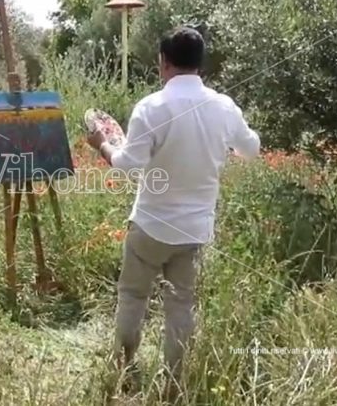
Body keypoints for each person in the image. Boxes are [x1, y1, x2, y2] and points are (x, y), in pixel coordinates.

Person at [87, 25, 260, 401]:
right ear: (200, 63)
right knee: (181, 307)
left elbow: (128, 165)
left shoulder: (151, 107)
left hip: (150, 225)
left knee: (133, 296)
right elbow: (251, 149)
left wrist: (103, 144)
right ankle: (174, 385)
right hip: (195, 230)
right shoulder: (224, 107)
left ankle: (124, 370)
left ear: (163, 62)